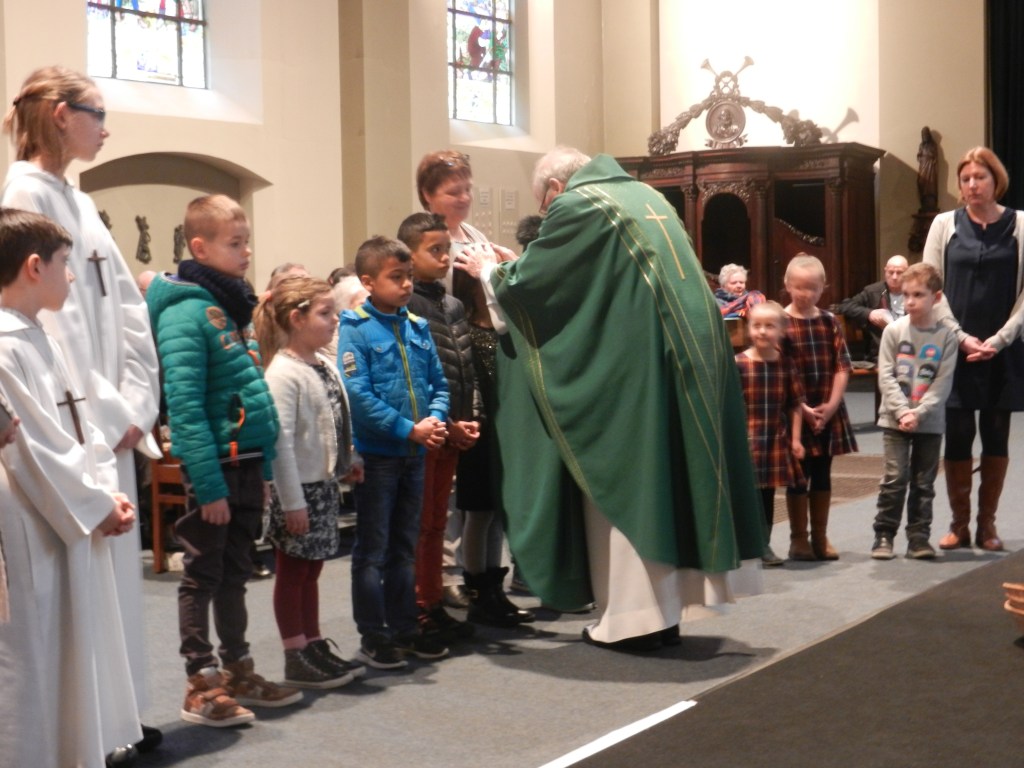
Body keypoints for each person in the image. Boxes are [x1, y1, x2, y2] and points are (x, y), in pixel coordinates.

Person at [455, 147, 765, 651]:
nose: (547, 214)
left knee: (626, 481)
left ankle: (633, 621)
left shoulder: (578, 205)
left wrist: (491, 271)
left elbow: (536, 290)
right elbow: (590, 280)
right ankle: (665, 615)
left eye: (544, 206)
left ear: (554, 190)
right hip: (686, 358)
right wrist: (524, 266)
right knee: (667, 481)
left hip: (635, 374)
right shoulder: (645, 197)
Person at [1, 65, 163, 751]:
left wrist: (138, 402)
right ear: (61, 115)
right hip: (75, 427)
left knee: (111, 582)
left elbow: (126, 304)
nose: (106, 129)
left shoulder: (80, 199)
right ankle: (84, 732)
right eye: (97, 113)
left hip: (106, 422)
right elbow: (51, 329)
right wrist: (104, 415)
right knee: (74, 588)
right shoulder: (24, 196)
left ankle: (112, 722)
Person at [147, 194, 301, 727]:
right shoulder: (185, 313)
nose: (247, 252)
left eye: (247, 241)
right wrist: (209, 485)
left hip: (245, 463)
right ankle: (200, 681)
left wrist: (262, 472)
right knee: (202, 574)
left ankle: (238, 669)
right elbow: (185, 407)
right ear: (200, 247)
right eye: (235, 244)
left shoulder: (232, 307)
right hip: (214, 467)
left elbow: (252, 394)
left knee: (236, 572)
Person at [0, 208, 140, 768]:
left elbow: (81, 426)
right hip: (34, 520)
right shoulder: (5, 345)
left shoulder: (42, 337)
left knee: (72, 650)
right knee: (38, 653)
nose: (73, 275)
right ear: (35, 266)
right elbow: (34, 445)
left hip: (68, 513)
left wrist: (106, 489)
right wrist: (96, 502)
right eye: (65, 262)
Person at [338, 236, 451, 668]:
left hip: (415, 453)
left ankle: (405, 627)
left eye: (408, 277)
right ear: (368, 282)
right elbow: (359, 395)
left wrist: (435, 419)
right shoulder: (355, 328)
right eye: (396, 277)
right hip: (379, 455)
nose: (406, 285)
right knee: (373, 549)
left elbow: (438, 384)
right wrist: (409, 429)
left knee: (405, 545)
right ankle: (374, 634)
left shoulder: (417, 326)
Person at [415, 150, 517, 609]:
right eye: (453, 191)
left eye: (467, 189)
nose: (464, 198)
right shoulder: (425, 240)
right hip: (449, 360)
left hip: (481, 355)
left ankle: (476, 575)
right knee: (452, 488)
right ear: (428, 195)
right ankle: (444, 575)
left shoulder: (475, 236)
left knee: (481, 488)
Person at [255, 275, 366, 688]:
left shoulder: (322, 363)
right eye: (325, 313)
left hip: (321, 486)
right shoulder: (283, 373)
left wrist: (348, 461)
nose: (335, 319)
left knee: (312, 569)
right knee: (293, 571)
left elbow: (333, 420)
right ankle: (294, 653)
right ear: (297, 319)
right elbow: (280, 444)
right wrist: (292, 502)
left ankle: (313, 643)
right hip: (297, 491)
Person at [923, 146, 1024, 552]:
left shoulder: (1021, 224)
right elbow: (931, 286)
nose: (972, 185)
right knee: (959, 434)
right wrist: (961, 336)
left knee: (996, 434)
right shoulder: (943, 224)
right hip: (956, 348)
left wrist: (999, 340)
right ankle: (959, 525)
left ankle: (987, 526)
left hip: (1005, 348)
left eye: (979, 177)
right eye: (965, 179)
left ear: (996, 180)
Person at [397, 212, 482, 641]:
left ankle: (432, 602)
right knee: (420, 525)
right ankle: (417, 606)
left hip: (452, 427)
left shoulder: (452, 305)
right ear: (409, 257)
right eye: (435, 250)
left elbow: (465, 365)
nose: (445, 257)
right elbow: (417, 376)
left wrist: (469, 417)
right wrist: (444, 422)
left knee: (435, 524)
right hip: (428, 430)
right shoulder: (409, 306)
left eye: (447, 248)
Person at [870, 263, 958, 561]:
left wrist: (919, 413)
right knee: (894, 478)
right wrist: (902, 411)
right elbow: (886, 375)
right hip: (894, 419)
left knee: (923, 481)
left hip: (929, 421)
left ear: (936, 297)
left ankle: (919, 537)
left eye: (918, 295)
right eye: (906, 295)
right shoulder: (894, 331)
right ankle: (884, 534)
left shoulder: (946, 336)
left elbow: (942, 383)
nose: (910, 301)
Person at [782, 253, 858, 561]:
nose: (805, 294)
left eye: (812, 288)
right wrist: (801, 407)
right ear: (787, 285)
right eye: (799, 287)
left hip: (826, 409)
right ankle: (798, 539)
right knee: (798, 475)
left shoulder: (829, 322)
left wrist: (832, 404)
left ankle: (820, 536)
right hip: (793, 411)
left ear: (823, 288)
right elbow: (779, 371)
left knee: (823, 472)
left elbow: (842, 366)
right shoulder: (781, 323)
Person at [735, 301, 806, 567]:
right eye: (757, 325)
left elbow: (795, 404)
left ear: (781, 331)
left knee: (766, 496)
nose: (762, 331)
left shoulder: (785, 365)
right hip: (745, 440)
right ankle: (744, 545)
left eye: (769, 326)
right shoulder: (738, 364)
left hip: (774, 439)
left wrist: (796, 439)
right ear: (748, 329)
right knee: (745, 495)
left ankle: (763, 545)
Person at [834, 255, 909, 362]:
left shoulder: (915, 291)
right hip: (880, 353)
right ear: (885, 271)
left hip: (909, 349)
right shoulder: (873, 291)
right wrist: (869, 313)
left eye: (899, 273)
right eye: (891, 272)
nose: (894, 277)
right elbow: (845, 306)